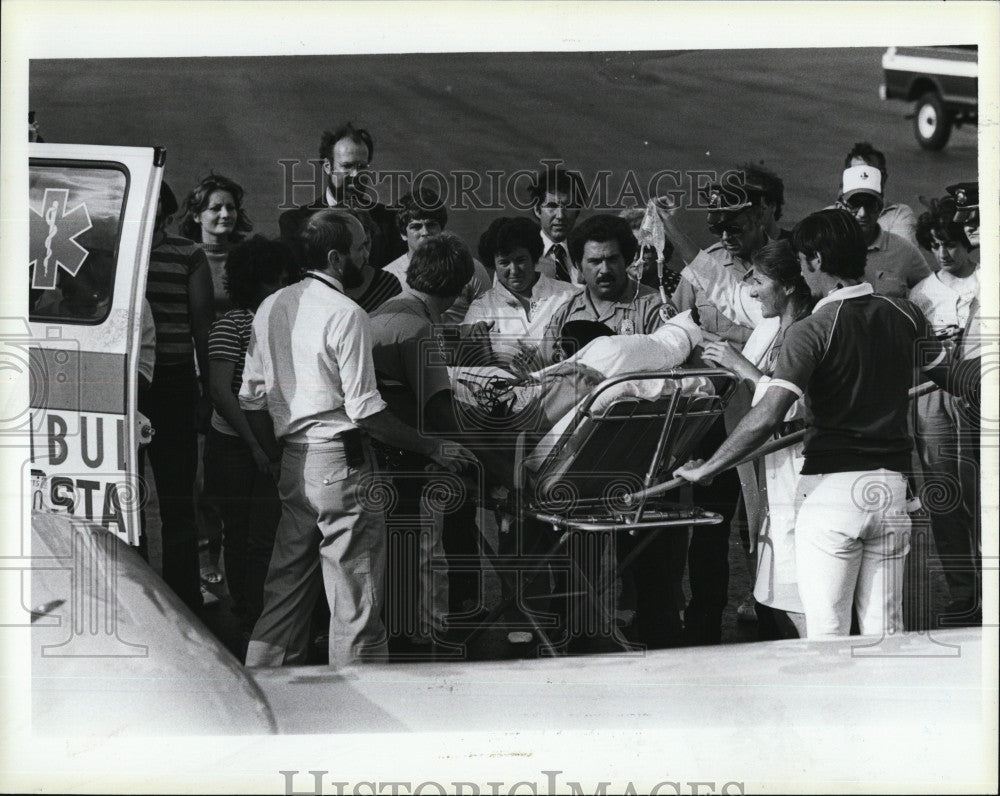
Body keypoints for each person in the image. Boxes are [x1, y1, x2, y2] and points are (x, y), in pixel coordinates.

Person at [676, 209, 964, 639]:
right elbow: (959, 377)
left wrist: (706, 468)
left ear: (812, 262)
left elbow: (767, 415)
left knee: (827, 643)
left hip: (831, 501)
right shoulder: (905, 314)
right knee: (884, 640)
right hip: (891, 496)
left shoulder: (809, 331)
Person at [240, 209, 476, 667]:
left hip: (294, 461)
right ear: (335, 256)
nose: (370, 256)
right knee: (356, 602)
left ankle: (260, 688)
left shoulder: (272, 305)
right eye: (362, 247)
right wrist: (436, 447)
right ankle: (362, 716)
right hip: (342, 465)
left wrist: (277, 458)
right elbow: (367, 412)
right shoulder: (347, 313)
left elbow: (250, 399)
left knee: (285, 594)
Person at [370, 233, 486, 649]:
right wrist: (481, 453)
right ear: (459, 288)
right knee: (423, 554)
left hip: (378, 455)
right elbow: (440, 410)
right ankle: (423, 638)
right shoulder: (420, 327)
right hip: (408, 458)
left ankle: (401, 631)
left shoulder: (387, 312)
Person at [700, 240, 814, 639]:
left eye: (759, 282)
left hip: (800, 478)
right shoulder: (771, 323)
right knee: (775, 588)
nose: (751, 290)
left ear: (785, 287)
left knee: (801, 594)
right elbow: (721, 289)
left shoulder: (806, 329)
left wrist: (740, 366)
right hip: (768, 475)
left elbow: (791, 407)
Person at [205, 236, 295, 647]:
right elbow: (222, 392)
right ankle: (245, 611)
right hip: (235, 445)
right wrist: (257, 447)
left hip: (269, 442)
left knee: (265, 533)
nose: (281, 286)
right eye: (273, 280)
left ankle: (263, 613)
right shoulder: (232, 323)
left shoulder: (282, 321)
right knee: (238, 531)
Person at [178, 173, 255, 594]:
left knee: (243, 474)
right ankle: (209, 558)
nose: (225, 214)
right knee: (204, 480)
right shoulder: (187, 256)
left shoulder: (248, 255)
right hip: (201, 379)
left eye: (230, 207)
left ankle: (244, 562)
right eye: (214, 208)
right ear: (196, 215)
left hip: (248, 378)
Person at [140, 180, 215, 612]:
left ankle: (182, 599)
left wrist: (206, 391)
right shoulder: (112, 252)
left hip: (172, 384)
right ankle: (143, 599)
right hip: (127, 387)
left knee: (176, 498)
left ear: (166, 215)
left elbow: (202, 325)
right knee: (127, 495)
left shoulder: (189, 255)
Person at [910, 195, 981, 626]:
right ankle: (963, 592)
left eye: (951, 243)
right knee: (943, 493)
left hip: (977, 394)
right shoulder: (921, 294)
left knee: (983, 491)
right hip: (930, 395)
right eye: (934, 245)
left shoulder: (986, 281)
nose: (942, 253)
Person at [542, 214, 675, 362]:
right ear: (578, 265)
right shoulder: (565, 313)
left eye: (612, 259)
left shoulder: (654, 308)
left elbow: (672, 366)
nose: (605, 270)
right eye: (595, 261)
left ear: (626, 259)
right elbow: (542, 366)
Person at [278, 122, 406, 270]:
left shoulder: (388, 221)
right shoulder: (295, 223)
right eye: (347, 166)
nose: (356, 174)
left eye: (362, 166)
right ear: (328, 167)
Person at [463, 216, 578, 366]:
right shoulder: (481, 308)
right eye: (504, 262)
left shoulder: (568, 295)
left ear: (533, 257)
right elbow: (472, 365)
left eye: (520, 260)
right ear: (494, 264)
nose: (514, 270)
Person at [670, 179, 767, 346]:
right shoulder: (703, 266)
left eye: (734, 229)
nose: (725, 237)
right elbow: (674, 323)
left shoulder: (789, 262)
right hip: (711, 369)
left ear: (758, 218)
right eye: (717, 230)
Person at [383, 189, 492, 325]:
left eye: (431, 225)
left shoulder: (471, 267)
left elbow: (490, 314)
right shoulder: (388, 277)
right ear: (403, 234)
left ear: (441, 228)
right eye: (416, 227)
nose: (425, 232)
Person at [837, 165, 930, 298]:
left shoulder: (904, 251)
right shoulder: (826, 248)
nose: (862, 213)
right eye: (855, 204)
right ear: (841, 207)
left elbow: (933, 293)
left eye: (870, 204)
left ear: (880, 207)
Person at [843, 141, 917, 245]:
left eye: (873, 174)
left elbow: (903, 257)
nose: (864, 178)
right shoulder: (832, 216)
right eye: (858, 174)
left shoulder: (899, 215)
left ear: (884, 177)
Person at [530, 166, 589, 284]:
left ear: (577, 211)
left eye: (569, 206)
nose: (560, 215)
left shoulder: (587, 254)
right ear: (537, 210)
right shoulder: (522, 256)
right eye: (552, 206)